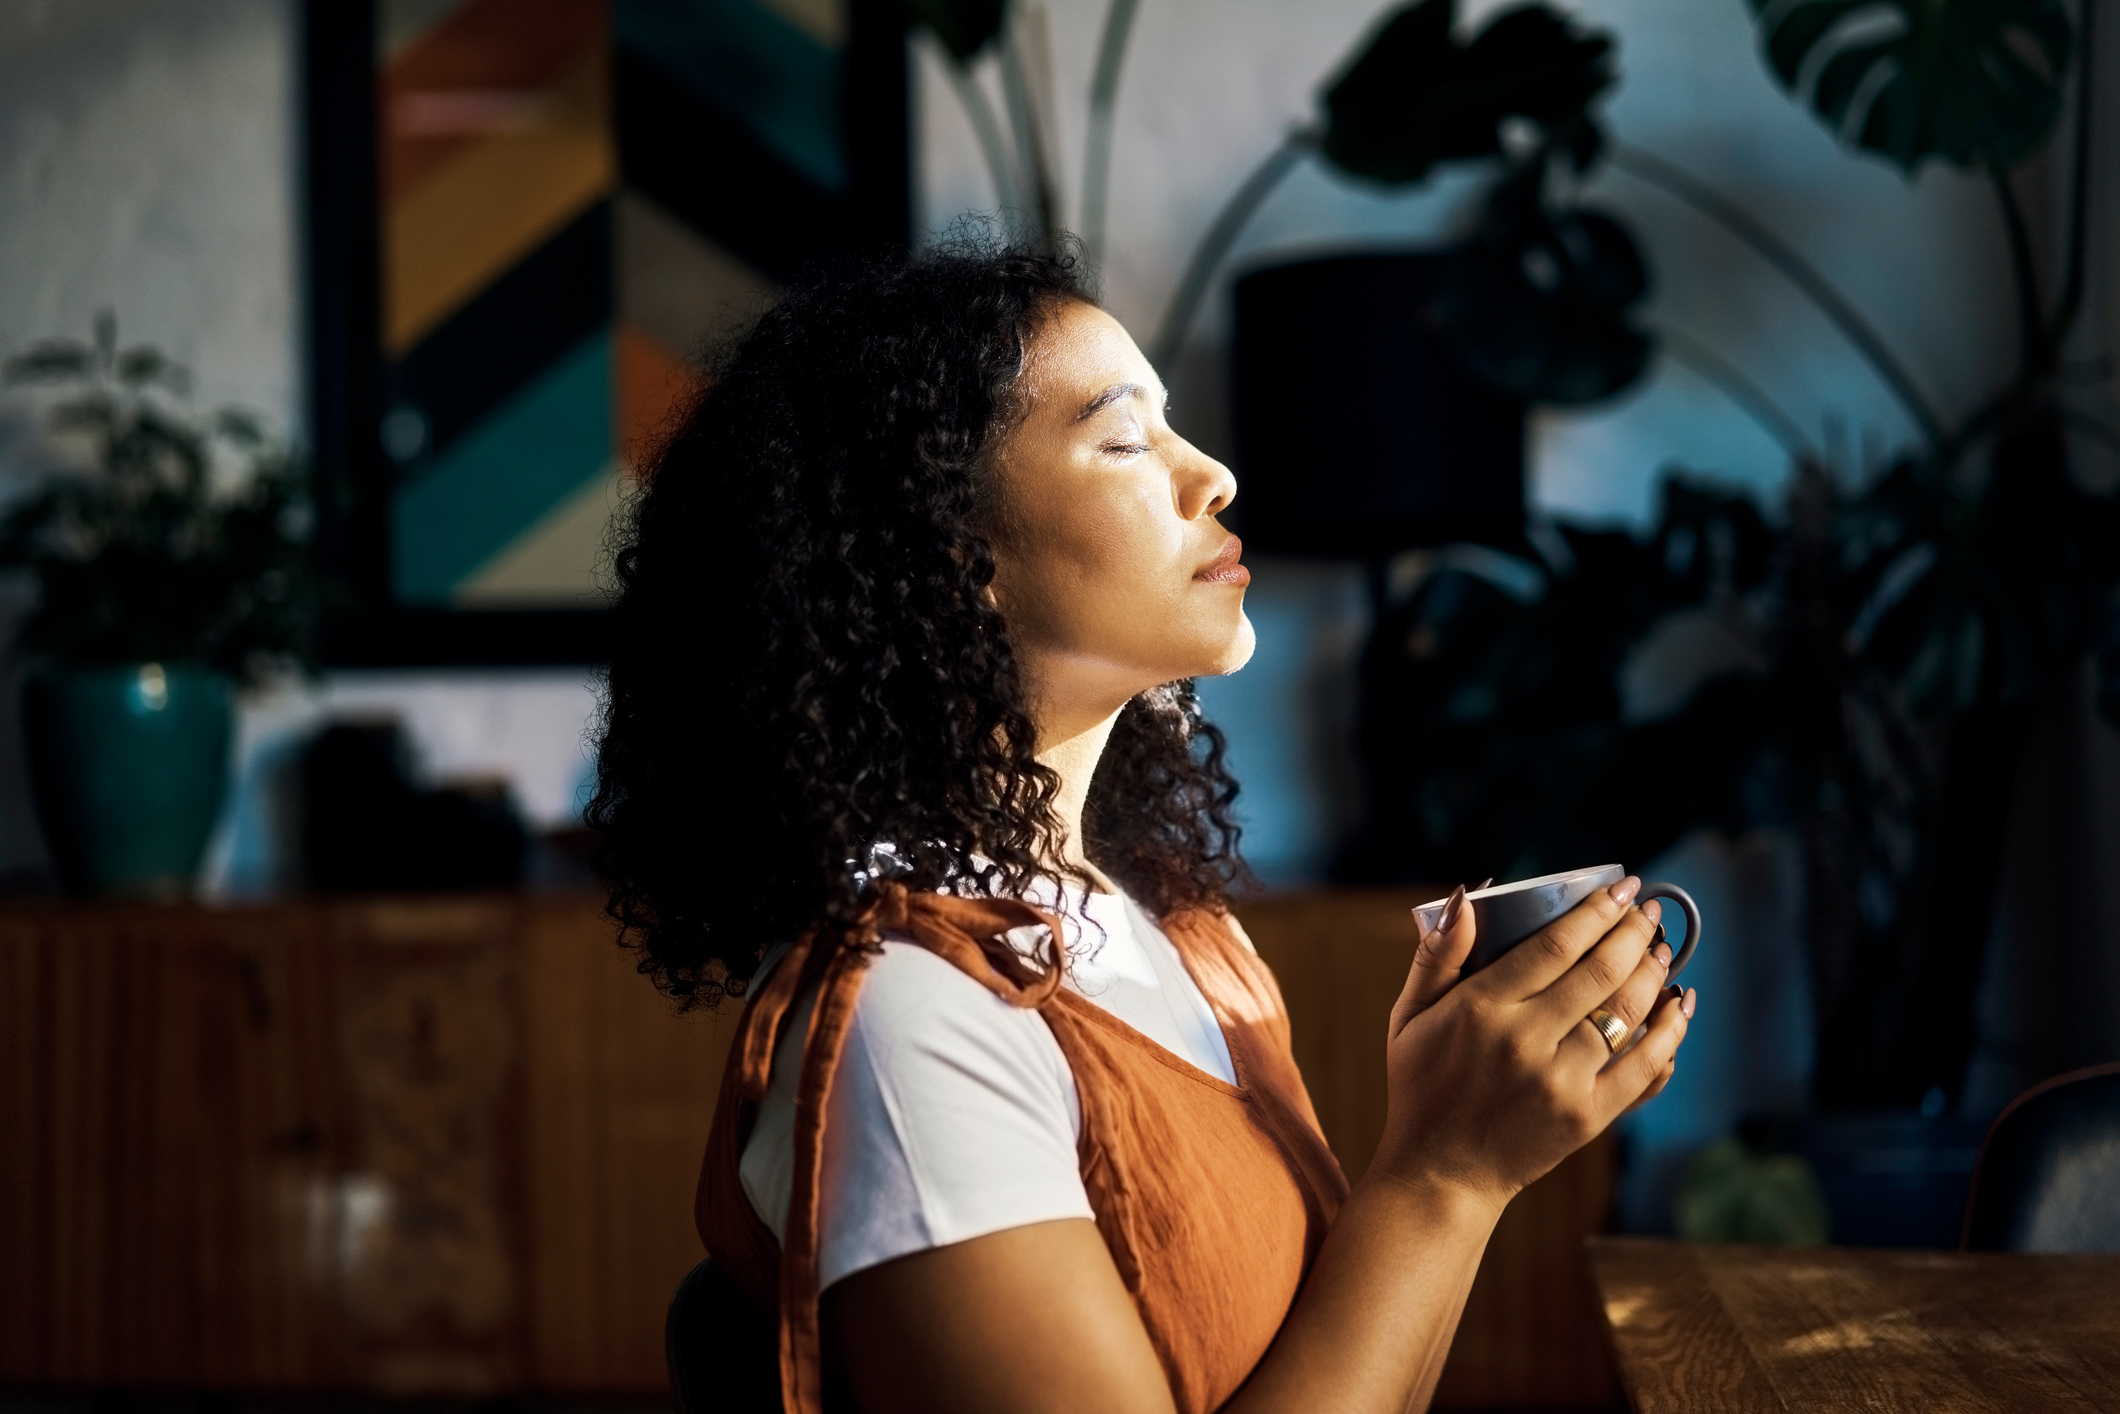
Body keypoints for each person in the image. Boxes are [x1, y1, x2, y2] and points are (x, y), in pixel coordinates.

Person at [589, 241, 1693, 1414]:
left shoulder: (1174, 939)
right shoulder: (912, 1028)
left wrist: (1456, 1148)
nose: (1211, 473)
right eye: (1124, 440)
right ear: (952, 556)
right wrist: (1445, 1176)